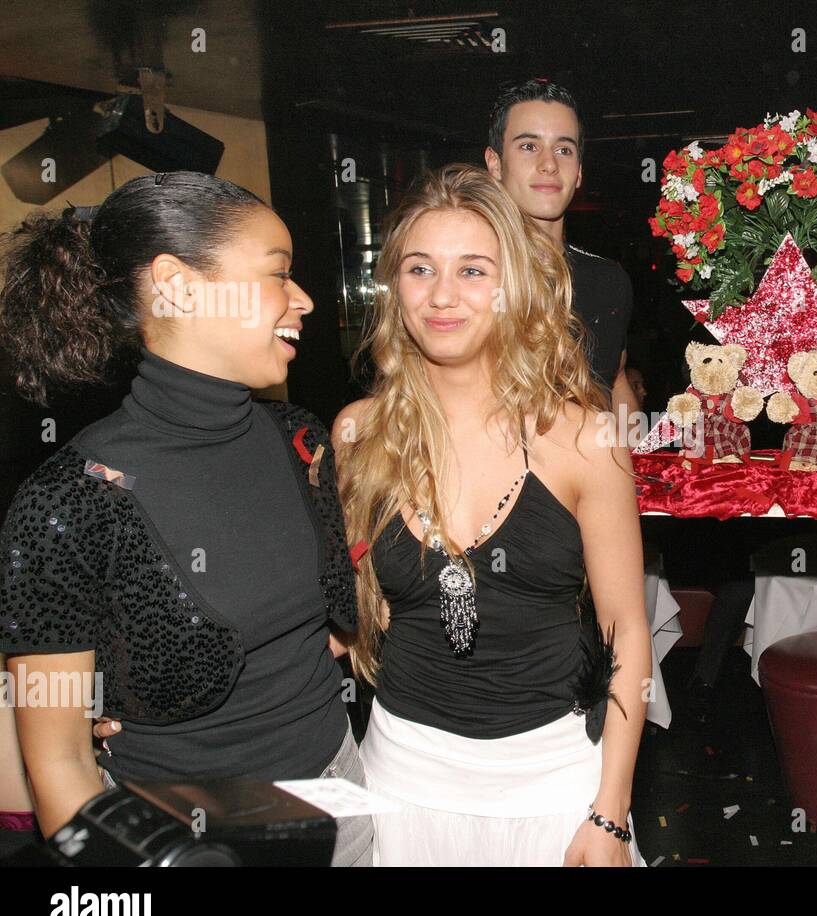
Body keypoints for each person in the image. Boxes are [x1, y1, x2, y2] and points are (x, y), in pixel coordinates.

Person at [0, 172, 372, 866]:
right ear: (176, 283)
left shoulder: (302, 439)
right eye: (278, 275)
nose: (304, 300)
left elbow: (320, 626)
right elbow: (56, 767)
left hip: (341, 798)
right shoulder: (68, 503)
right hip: (187, 839)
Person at [333, 163, 651, 866]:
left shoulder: (586, 441)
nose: (442, 295)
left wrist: (612, 814)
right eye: (420, 269)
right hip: (400, 784)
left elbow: (627, 628)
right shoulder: (358, 434)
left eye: (473, 271)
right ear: (394, 289)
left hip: (556, 787)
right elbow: (344, 613)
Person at [484, 78, 640, 424]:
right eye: (528, 146)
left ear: (580, 171)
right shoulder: (471, 278)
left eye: (564, 149)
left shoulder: (608, 281)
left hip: (591, 473)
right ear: (495, 164)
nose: (549, 164)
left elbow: (614, 384)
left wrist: (636, 468)